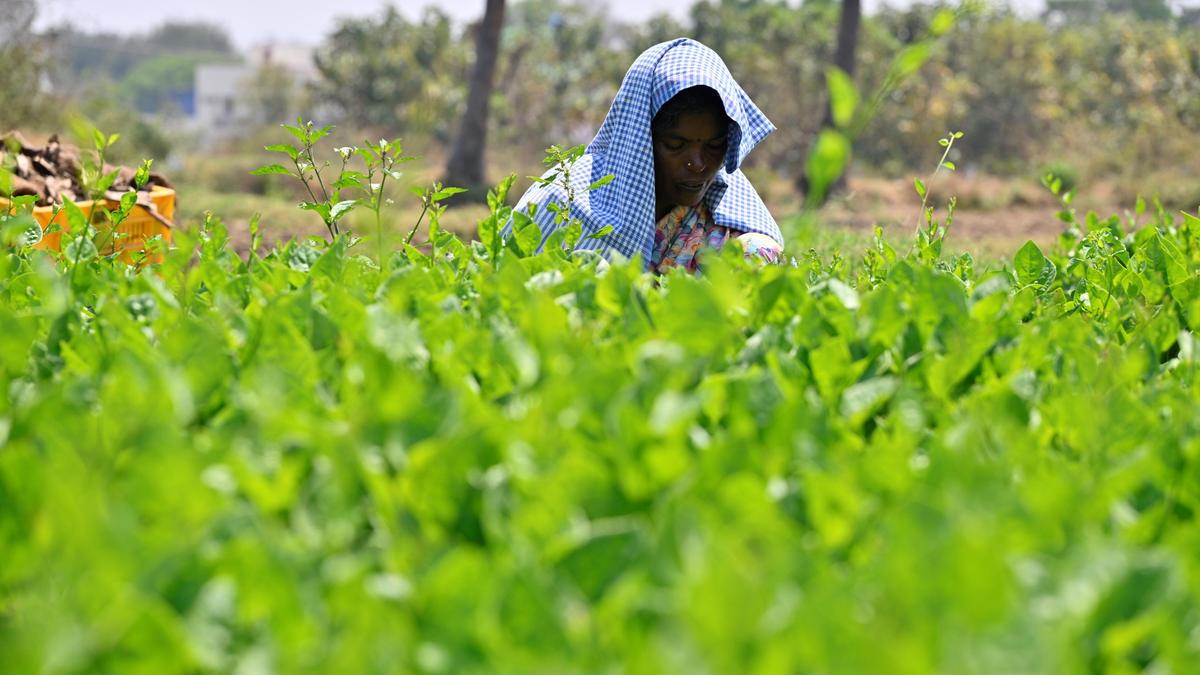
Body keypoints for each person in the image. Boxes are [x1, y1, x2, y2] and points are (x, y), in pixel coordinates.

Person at [509, 38, 784, 274]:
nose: (698, 164)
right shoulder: (565, 205)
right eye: (676, 144)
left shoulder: (721, 213)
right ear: (639, 139)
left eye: (714, 145)